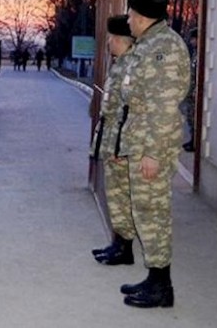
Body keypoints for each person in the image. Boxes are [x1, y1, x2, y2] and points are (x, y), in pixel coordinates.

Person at [116, 0, 190, 308]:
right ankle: (155, 277)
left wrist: (153, 153)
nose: (128, 20)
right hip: (142, 137)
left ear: (143, 17)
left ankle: (162, 287)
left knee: (153, 212)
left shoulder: (164, 48)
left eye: (131, 15)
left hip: (153, 143)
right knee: (145, 212)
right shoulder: (148, 44)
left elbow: (163, 106)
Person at [90, 16, 137, 266]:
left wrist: (122, 146)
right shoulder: (120, 64)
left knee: (121, 195)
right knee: (115, 195)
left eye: (110, 38)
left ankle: (124, 247)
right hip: (112, 140)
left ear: (120, 40)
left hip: (121, 143)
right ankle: (118, 245)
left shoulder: (132, 66)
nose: (108, 42)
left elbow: (130, 110)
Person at [181, 28, 198, 152]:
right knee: (190, 118)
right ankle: (192, 140)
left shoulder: (200, 55)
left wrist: (195, 90)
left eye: (193, 39)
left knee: (194, 118)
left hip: (194, 93)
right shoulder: (195, 53)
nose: (191, 42)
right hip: (190, 92)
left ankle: (195, 142)